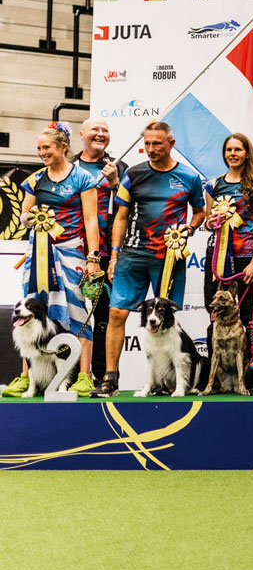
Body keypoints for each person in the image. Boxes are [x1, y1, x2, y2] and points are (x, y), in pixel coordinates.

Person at [92, 122, 206, 398]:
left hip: (169, 257)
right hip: (133, 254)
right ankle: (110, 378)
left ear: (171, 143)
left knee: (165, 318)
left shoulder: (189, 177)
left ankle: (165, 381)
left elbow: (200, 212)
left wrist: (189, 229)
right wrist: (114, 255)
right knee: (116, 313)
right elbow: (120, 216)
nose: (151, 149)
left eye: (157, 143)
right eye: (147, 144)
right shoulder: (133, 173)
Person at [2, 124, 103, 397]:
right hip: (38, 254)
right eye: (38, 148)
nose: (41, 152)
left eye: (46, 147)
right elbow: (24, 216)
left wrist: (93, 257)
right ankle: (26, 376)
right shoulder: (35, 180)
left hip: (71, 251)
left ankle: (84, 376)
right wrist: (30, 218)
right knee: (30, 311)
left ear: (62, 147)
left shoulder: (83, 178)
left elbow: (91, 220)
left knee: (79, 312)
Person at [203, 133, 253, 389]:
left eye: (237, 149)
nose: (232, 154)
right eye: (229, 149)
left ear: (246, 153)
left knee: (252, 320)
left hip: (247, 258)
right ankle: (216, 381)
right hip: (218, 257)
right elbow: (209, 221)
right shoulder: (213, 185)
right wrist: (210, 222)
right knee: (214, 315)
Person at [71, 117, 127, 377]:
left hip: (107, 255)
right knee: (71, 315)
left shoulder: (119, 166)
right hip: (71, 252)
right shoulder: (68, 166)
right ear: (82, 134)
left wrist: (115, 182)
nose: (100, 134)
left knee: (105, 316)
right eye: (95, 129)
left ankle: (104, 377)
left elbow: (130, 208)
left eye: (105, 130)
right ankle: (71, 376)